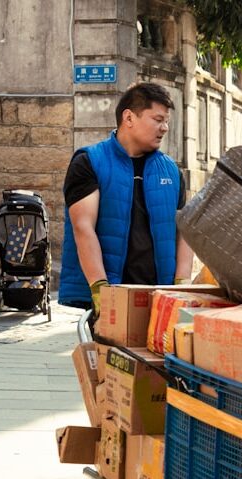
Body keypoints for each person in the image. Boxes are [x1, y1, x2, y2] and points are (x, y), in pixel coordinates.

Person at [59, 81, 194, 313]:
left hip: (160, 297)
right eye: (158, 119)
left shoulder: (171, 171)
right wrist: (101, 290)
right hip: (111, 294)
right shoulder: (90, 162)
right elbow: (83, 227)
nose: (165, 128)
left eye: (167, 122)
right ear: (129, 118)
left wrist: (181, 284)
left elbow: (185, 230)